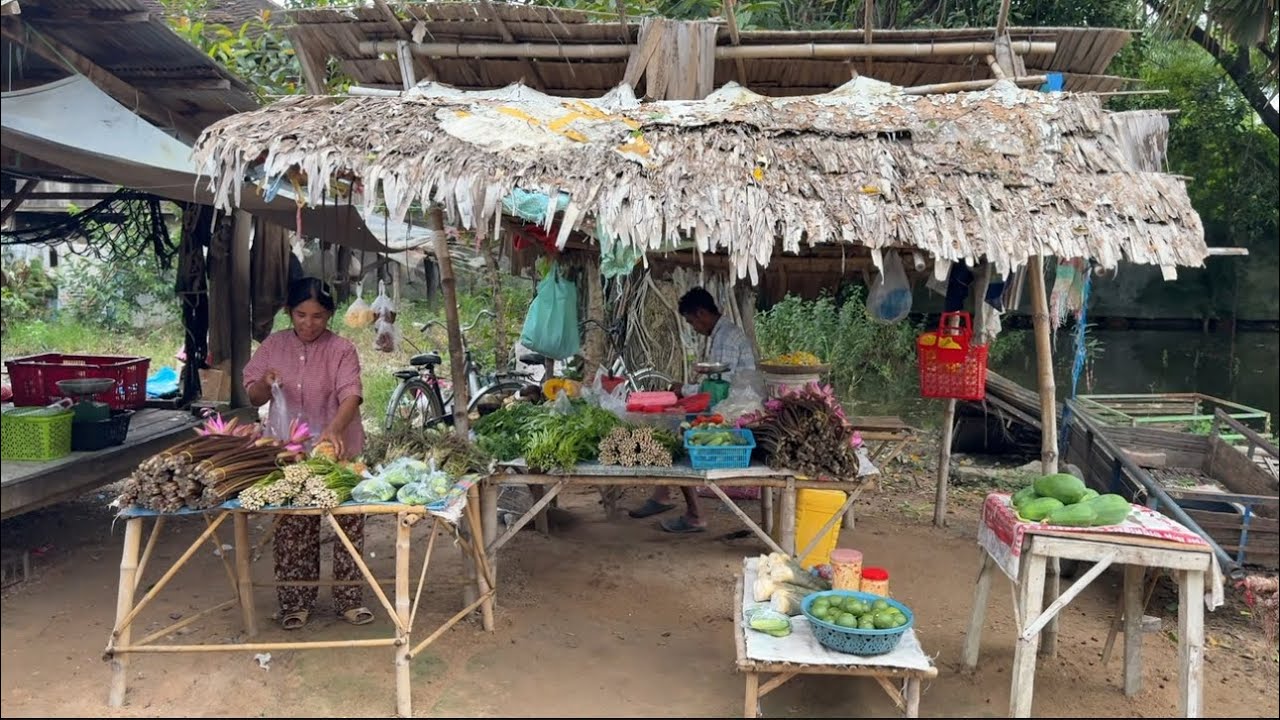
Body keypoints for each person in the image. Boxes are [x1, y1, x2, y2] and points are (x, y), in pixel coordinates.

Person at [243, 277, 373, 629]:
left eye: (318, 316)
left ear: (330, 315)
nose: (309, 323)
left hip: (339, 449)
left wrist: (335, 427)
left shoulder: (342, 349)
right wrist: (263, 384)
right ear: (289, 312)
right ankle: (295, 603)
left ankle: (348, 600)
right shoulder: (273, 346)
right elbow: (254, 397)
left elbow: (352, 394)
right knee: (293, 524)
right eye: (301, 315)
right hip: (291, 451)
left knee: (348, 524)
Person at [629, 287, 758, 534]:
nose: (693, 328)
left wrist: (685, 390)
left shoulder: (726, 338)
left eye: (691, 322)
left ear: (701, 313)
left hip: (733, 409)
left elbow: (722, 386)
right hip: (729, 402)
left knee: (678, 442)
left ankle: (694, 515)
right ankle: (662, 494)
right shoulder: (722, 334)